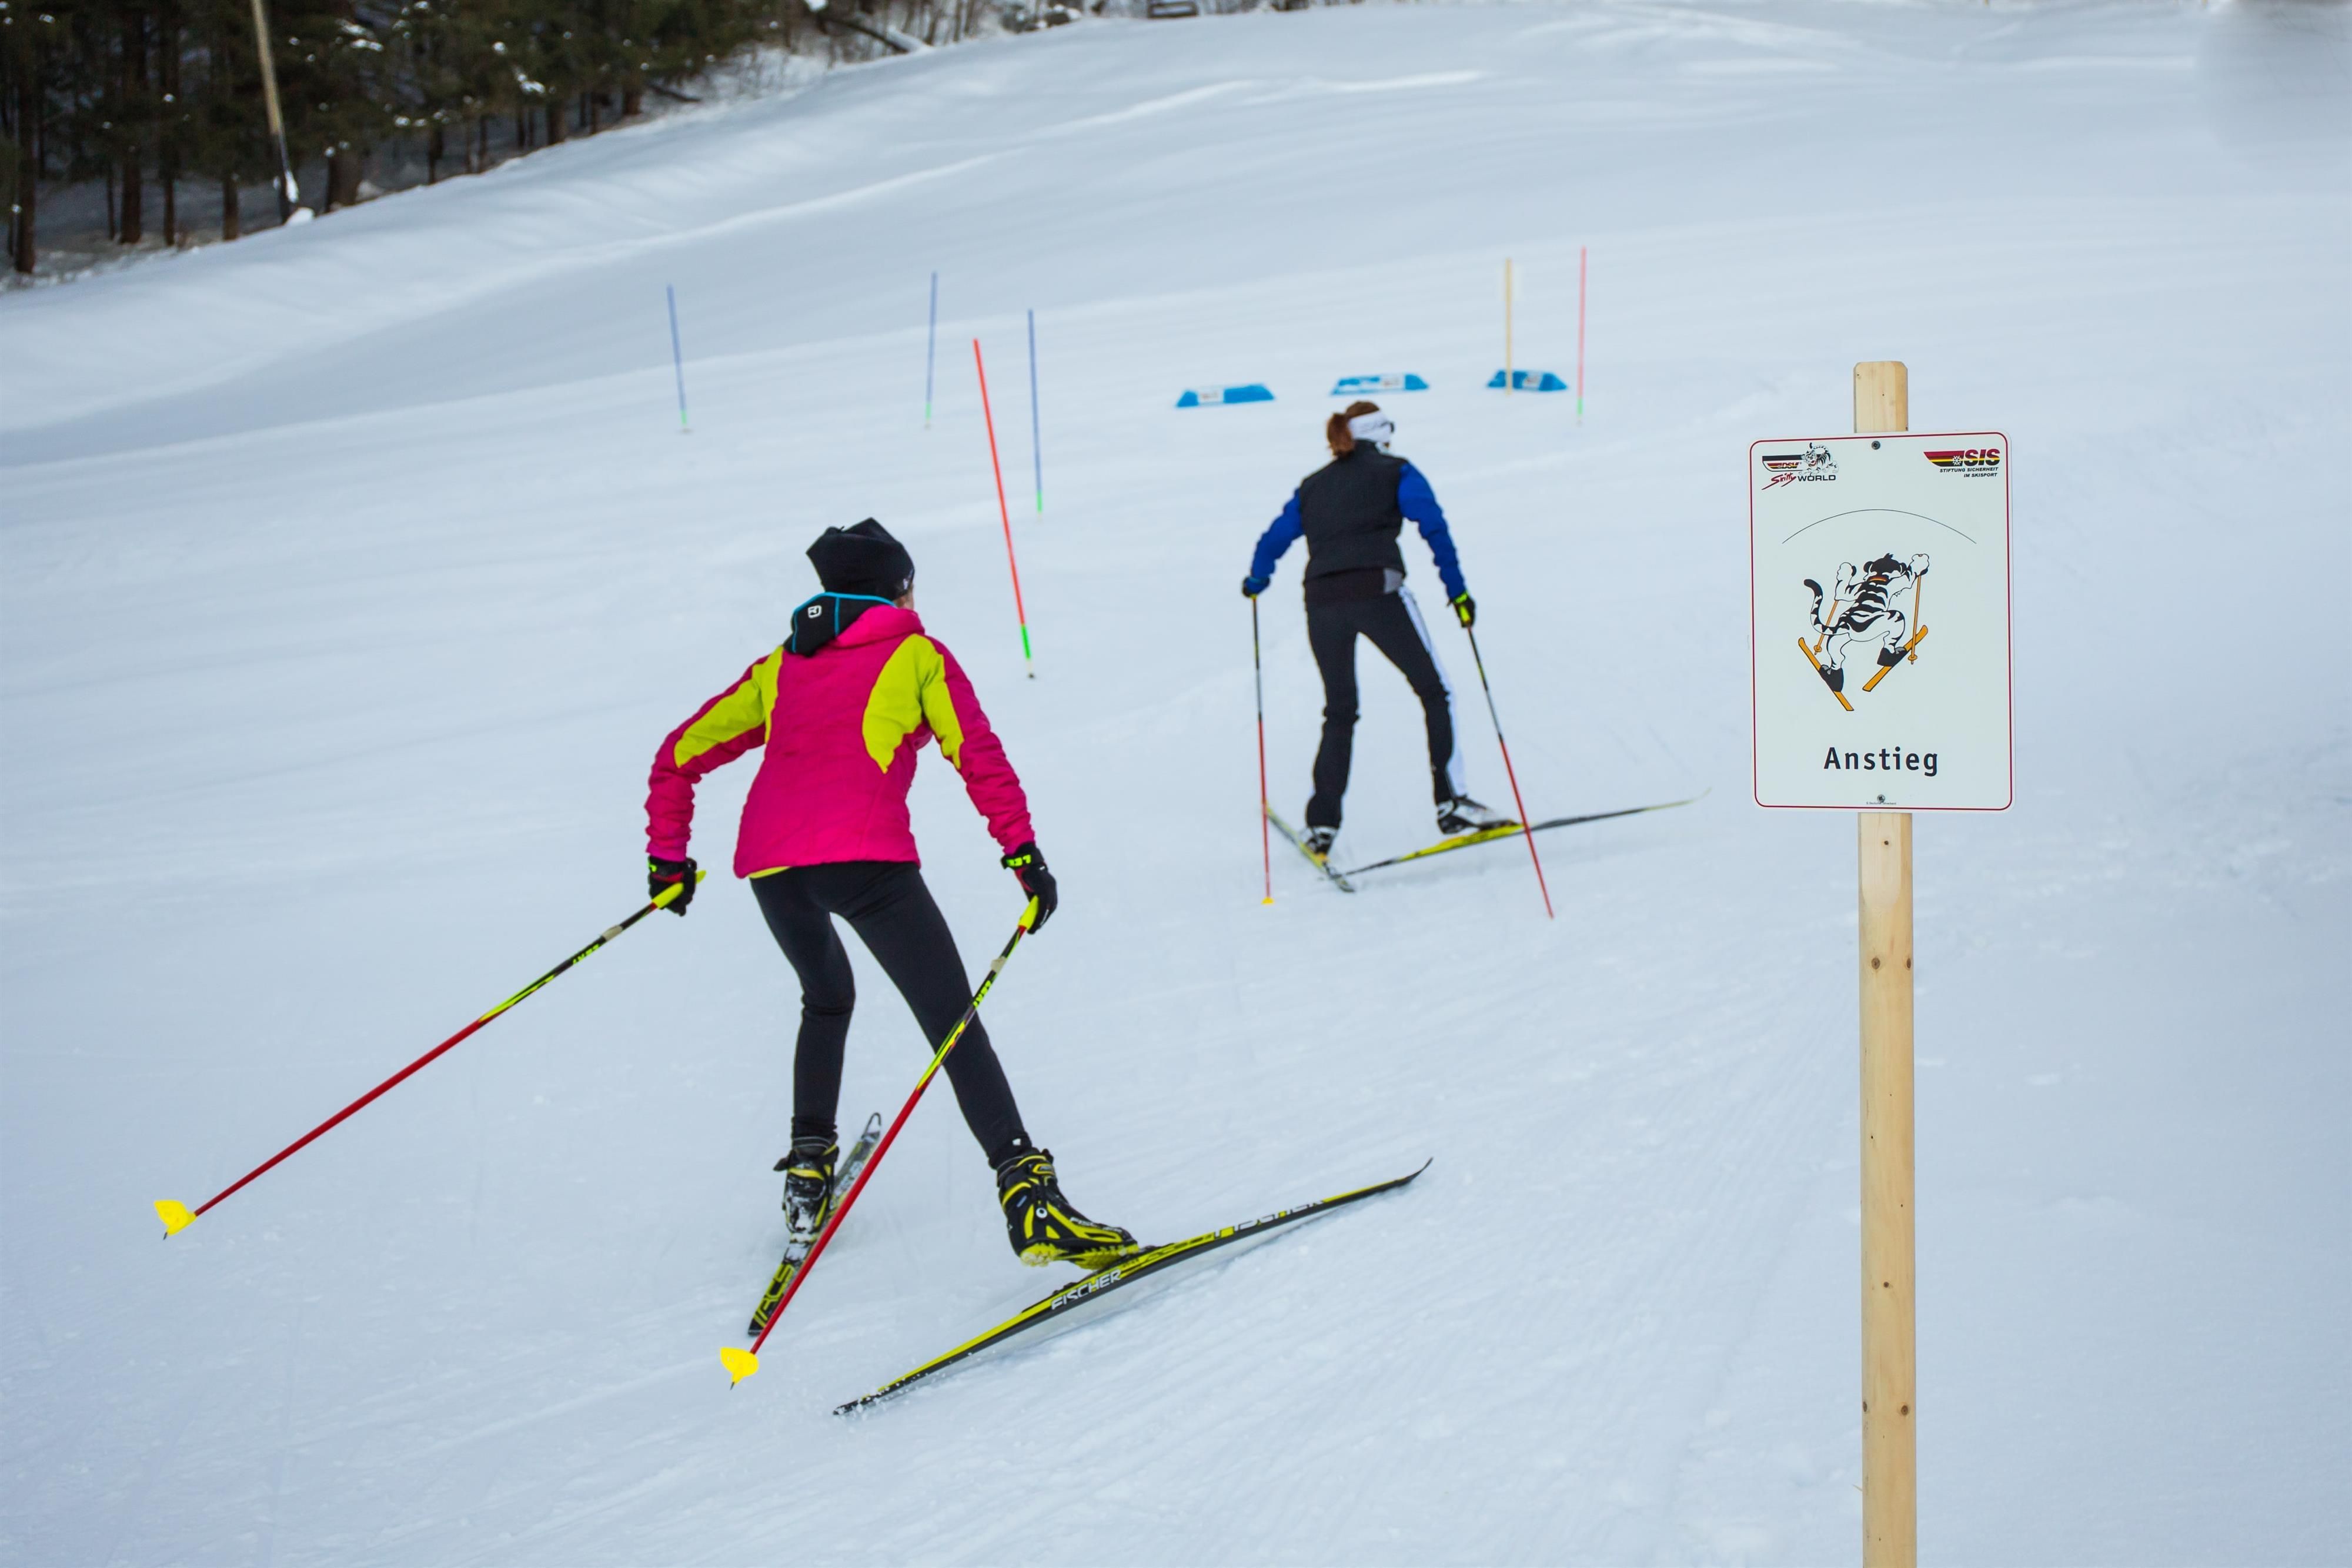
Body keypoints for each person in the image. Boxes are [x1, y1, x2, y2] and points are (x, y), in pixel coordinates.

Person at [643, 518, 1135, 1269]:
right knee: (952, 1024)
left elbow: (677, 755)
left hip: (775, 870)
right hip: (866, 863)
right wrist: (1023, 854)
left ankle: (808, 1169)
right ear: (894, 590)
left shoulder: (780, 665)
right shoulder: (917, 654)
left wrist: (667, 862)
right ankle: (1029, 1197)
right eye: (910, 586)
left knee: (826, 998)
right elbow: (978, 755)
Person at [1241, 402, 1509, 858]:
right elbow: (1434, 527)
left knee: (1340, 709)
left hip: (1322, 601)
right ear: (1382, 433)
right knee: (1435, 690)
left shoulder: (1313, 485)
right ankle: (1452, 803)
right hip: (1378, 592)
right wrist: (1458, 592)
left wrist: (1257, 579)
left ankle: (1321, 825)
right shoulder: (1397, 471)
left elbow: (1275, 538)